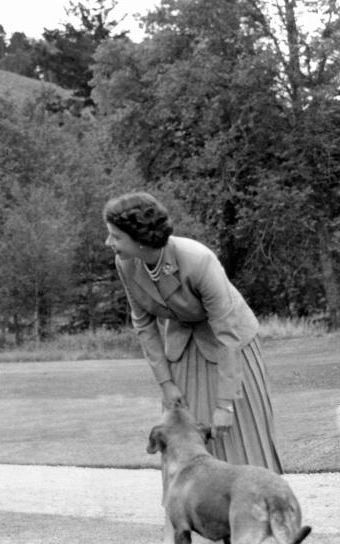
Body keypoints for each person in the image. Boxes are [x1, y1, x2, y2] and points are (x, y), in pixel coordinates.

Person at [103, 192, 282, 542]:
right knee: (184, 437)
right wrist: (166, 384)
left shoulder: (198, 260)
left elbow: (227, 334)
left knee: (239, 439)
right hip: (183, 349)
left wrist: (225, 404)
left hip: (231, 347)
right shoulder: (126, 263)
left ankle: (258, 527)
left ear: (141, 240)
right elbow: (143, 324)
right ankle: (185, 526)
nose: (108, 242)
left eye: (116, 236)